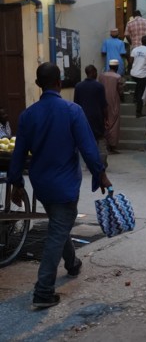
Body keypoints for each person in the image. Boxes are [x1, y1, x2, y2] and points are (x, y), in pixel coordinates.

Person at [7, 62, 111, 309]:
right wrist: (101, 174)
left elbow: (19, 153)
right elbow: (88, 147)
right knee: (57, 231)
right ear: (59, 82)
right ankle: (43, 291)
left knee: (58, 223)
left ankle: (72, 263)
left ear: (37, 84)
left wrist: (16, 182)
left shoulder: (27, 115)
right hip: (65, 184)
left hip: (41, 184)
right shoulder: (72, 111)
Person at [74, 65, 108, 168]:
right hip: (97, 118)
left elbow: (76, 103)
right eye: (96, 72)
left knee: (87, 142)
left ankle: (90, 163)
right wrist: (106, 118)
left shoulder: (78, 86)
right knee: (100, 141)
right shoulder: (99, 86)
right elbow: (104, 105)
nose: (96, 74)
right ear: (93, 72)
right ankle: (101, 163)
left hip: (83, 118)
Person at [99, 59, 125, 154]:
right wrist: (122, 98)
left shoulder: (102, 76)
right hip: (114, 101)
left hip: (102, 101)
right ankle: (112, 146)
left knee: (105, 122)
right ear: (117, 67)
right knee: (113, 123)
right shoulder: (118, 77)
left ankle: (104, 144)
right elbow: (120, 90)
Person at [129, 35, 146, 118]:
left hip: (133, 74)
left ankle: (135, 97)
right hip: (142, 76)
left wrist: (131, 69)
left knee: (138, 88)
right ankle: (138, 112)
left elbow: (130, 61)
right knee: (141, 94)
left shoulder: (135, 49)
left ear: (141, 41)